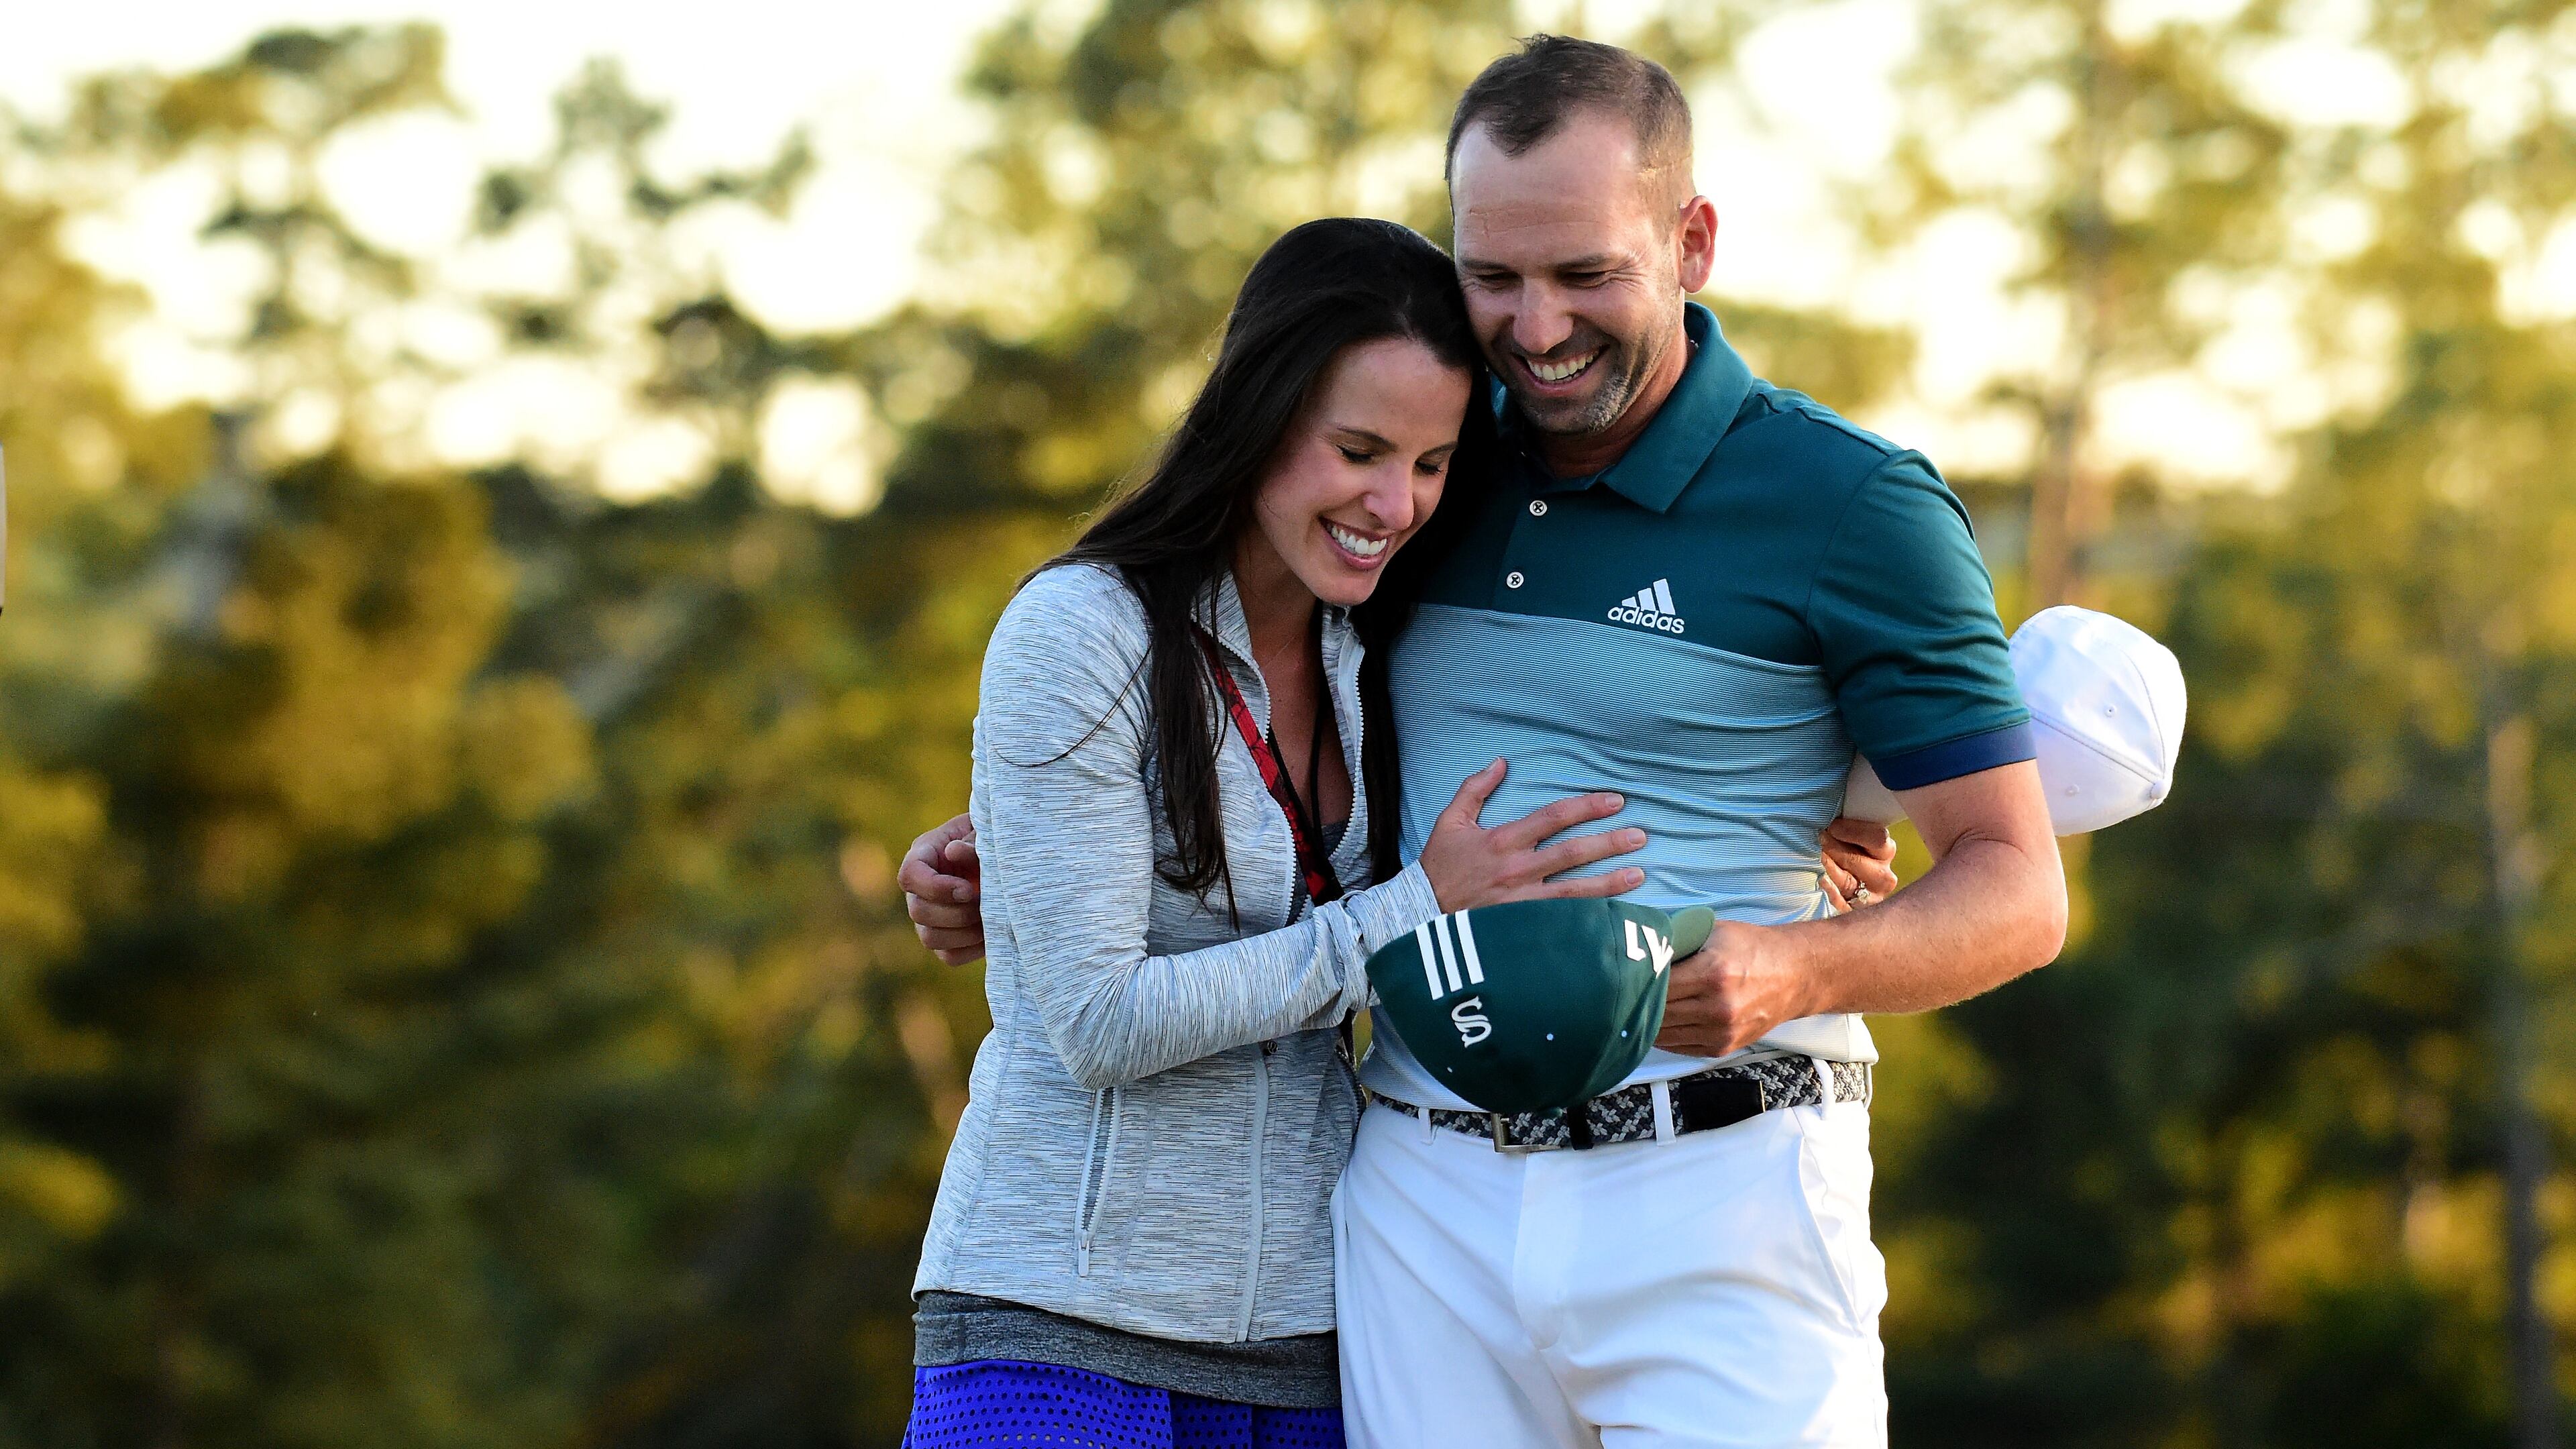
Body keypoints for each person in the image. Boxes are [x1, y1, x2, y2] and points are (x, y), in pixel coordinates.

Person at [906, 36, 2065, 1449]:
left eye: (1585, 275)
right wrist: (1016, 856)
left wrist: (1795, 966)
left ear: (1691, 241)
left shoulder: (1856, 505)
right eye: (1495, 276)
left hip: (1722, 1196)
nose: (1533, 329)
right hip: (1411, 1212)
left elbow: (2017, 888)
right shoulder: (1431, 452)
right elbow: (1214, 699)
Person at [902, 216, 1676, 1449]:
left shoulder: (1378, 651)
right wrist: (1416, 911)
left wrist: (1828, 826)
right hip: (1058, 1323)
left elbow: (1615, 719)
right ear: (1259, 417)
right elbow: (1101, 1021)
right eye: (1359, 450)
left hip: (1310, 1349)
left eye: (1429, 465)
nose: (1394, 503)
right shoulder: (1081, 629)